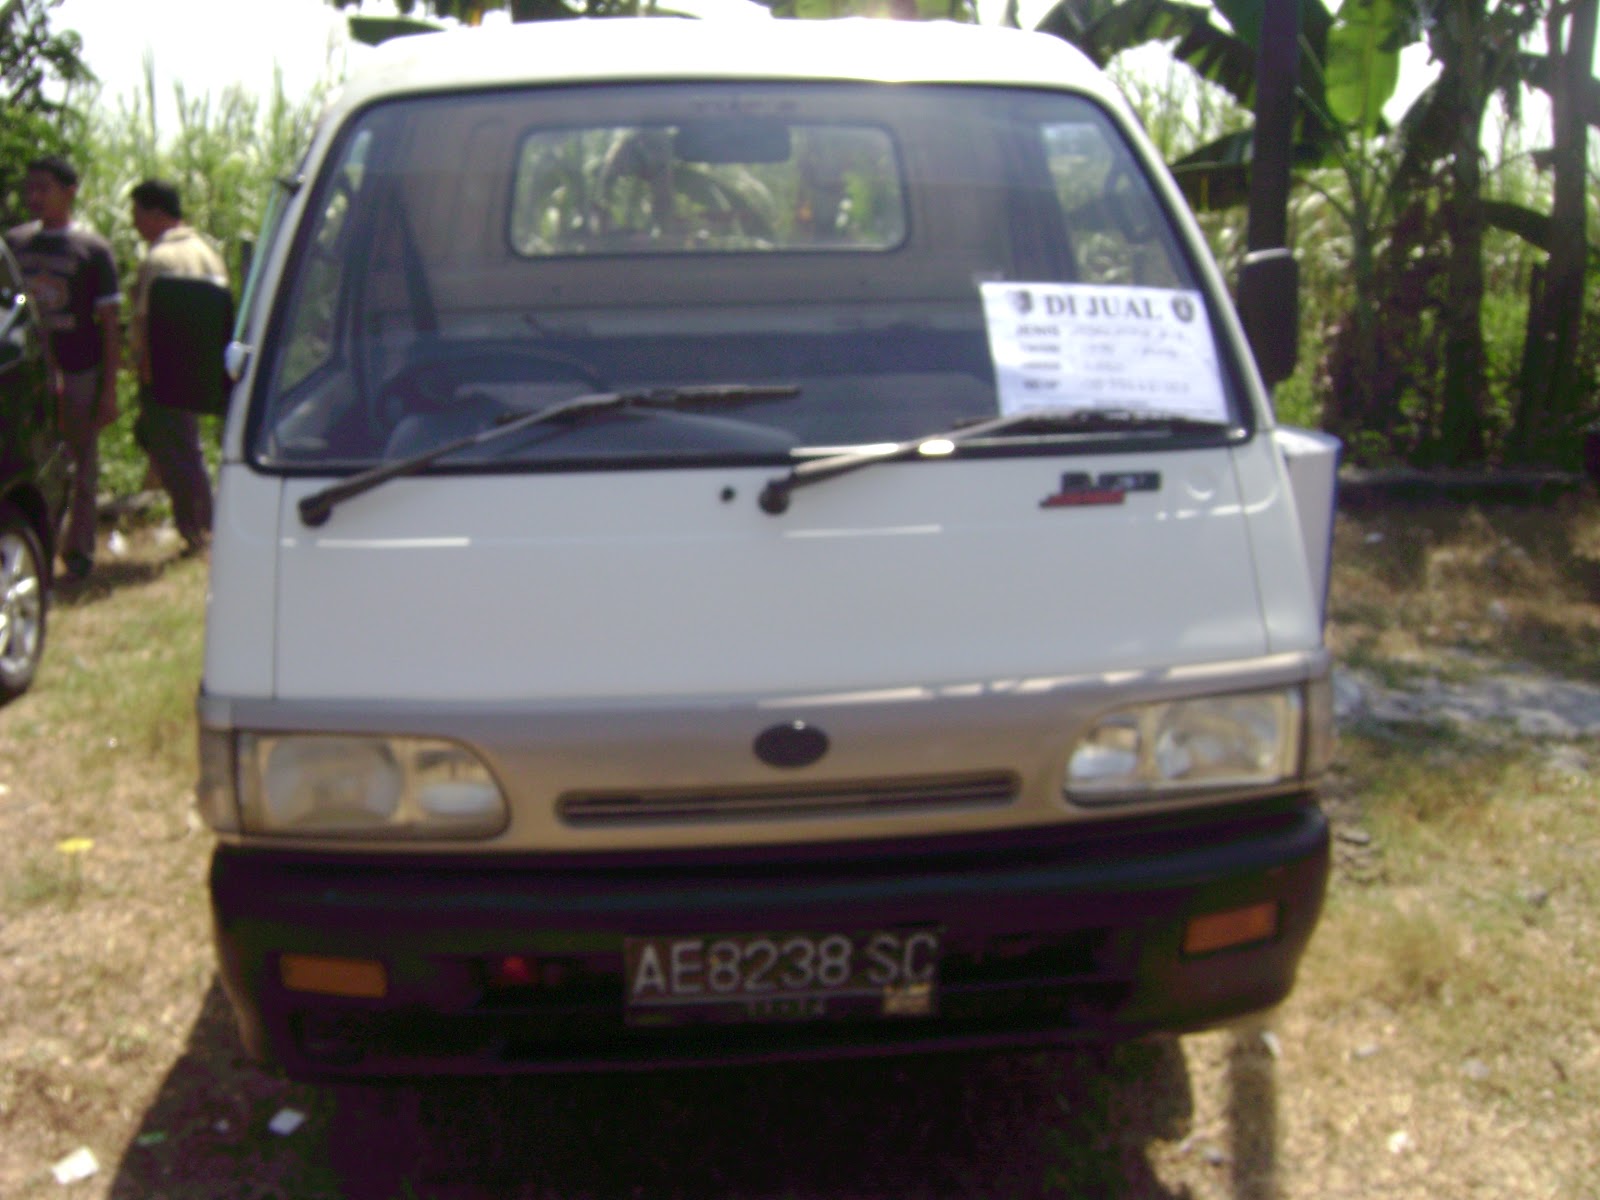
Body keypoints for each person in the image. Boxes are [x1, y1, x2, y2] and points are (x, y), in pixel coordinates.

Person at [5, 156, 122, 581]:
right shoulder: (16, 244)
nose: (35, 197)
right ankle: (37, 550)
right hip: (29, 371)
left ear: (69, 192)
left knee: (80, 461)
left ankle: (79, 552)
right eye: (30, 188)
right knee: (30, 461)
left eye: (45, 188)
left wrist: (108, 389)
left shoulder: (91, 251)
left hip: (79, 370)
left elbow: (110, 325)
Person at [128, 178, 229, 557]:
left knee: (178, 453)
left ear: (155, 214)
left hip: (165, 373)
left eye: (138, 214)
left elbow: (147, 322)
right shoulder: (206, 251)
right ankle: (201, 524)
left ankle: (198, 529)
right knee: (185, 449)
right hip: (203, 368)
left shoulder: (158, 261)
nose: (135, 224)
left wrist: (145, 370)